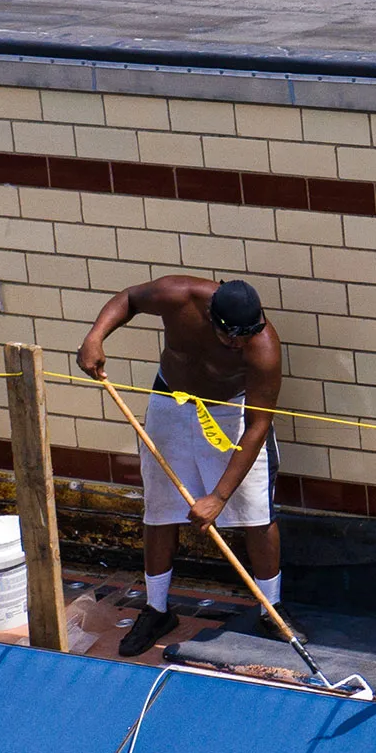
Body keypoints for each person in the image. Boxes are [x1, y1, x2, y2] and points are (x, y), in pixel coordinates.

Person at [75, 277, 283, 656]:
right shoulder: (179, 296)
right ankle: (156, 610)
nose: (238, 344)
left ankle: (272, 609)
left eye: (245, 336)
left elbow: (257, 426)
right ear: (211, 316)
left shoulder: (263, 346)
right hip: (171, 401)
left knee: (255, 511)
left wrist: (219, 497)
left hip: (231, 412)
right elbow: (128, 298)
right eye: (230, 336)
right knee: (160, 509)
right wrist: (95, 337)